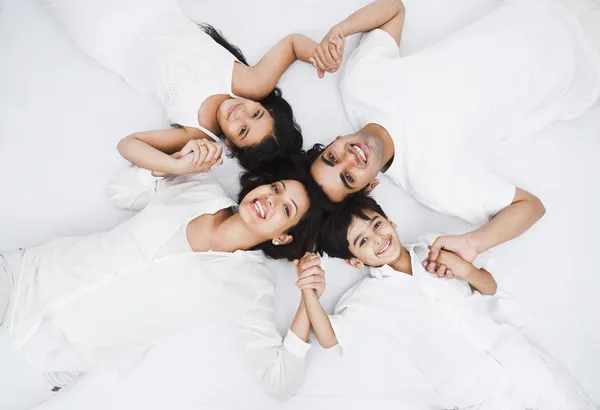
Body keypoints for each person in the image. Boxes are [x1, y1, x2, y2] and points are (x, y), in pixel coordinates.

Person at [304, 0, 600, 272]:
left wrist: (339, 31)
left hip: (532, 11)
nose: (349, 159)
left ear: (335, 140)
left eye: (332, 157)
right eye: (349, 178)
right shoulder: (432, 182)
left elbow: (394, 9)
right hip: (575, 66)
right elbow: (530, 207)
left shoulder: (357, 86)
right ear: (369, 186)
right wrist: (474, 243)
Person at [0, 157, 324, 399]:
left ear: (283, 237)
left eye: (286, 209)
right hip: (26, 277)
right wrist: (170, 164)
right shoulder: (200, 187)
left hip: (51, 361)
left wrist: (308, 297)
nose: (271, 199)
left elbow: (279, 382)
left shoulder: (251, 287)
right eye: (276, 188)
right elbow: (120, 192)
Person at [293, 195, 595, 409]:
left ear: (391, 222)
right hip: (480, 396)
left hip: (521, 360)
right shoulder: (369, 298)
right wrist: (308, 290)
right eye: (362, 242)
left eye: (376, 225)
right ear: (355, 262)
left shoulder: (431, 246)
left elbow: (489, 287)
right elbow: (329, 338)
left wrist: (462, 267)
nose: (376, 238)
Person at [38, 0, 318, 171]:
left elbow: (128, 145)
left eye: (242, 129)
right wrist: (321, 54)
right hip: (149, 6)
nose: (240, 114)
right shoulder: (251, 84)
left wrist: (177, 165)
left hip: (109, 36)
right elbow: (293, 44)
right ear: (263, 105)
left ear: (231, 144)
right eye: (256, 113)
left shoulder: (198, 134)